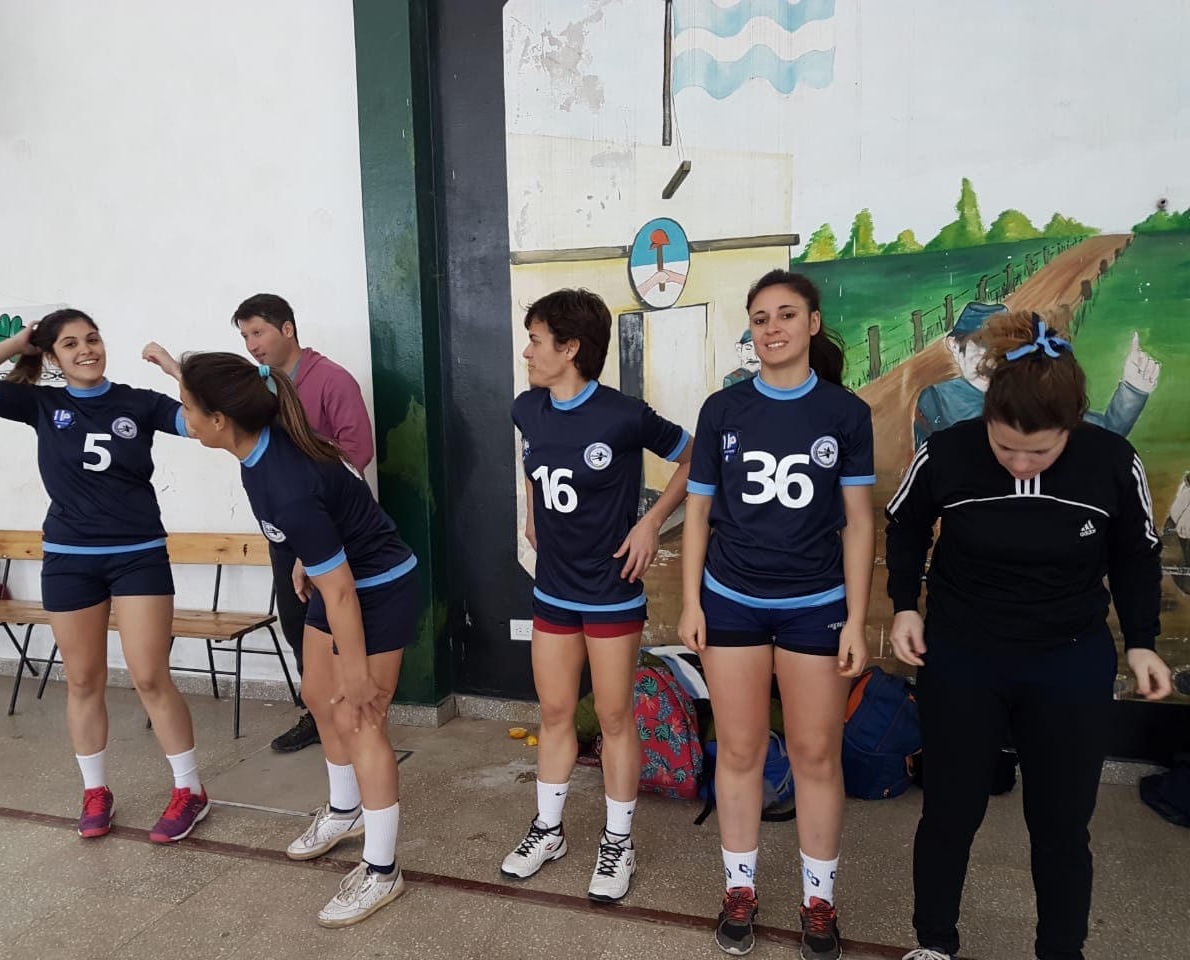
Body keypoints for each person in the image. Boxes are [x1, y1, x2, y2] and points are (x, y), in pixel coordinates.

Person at [886, 309, 1173, 960]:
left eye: (1039, 452)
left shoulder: (1110, 461)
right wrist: (904, 606)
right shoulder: (949, 450)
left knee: (1062, 826)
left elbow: (1136, 555)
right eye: (1004, 447)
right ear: (987, 418)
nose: (1019, 463)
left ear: (1071, 428)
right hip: (962, 656)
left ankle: (1061, 951)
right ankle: (934, 943)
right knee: (949, 814)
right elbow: (905, 524)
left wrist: (1142, 641)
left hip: (1068, 662)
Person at [147, 346, 417, 927]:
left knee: (359, 716)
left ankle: (382, 870)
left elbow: (341, 591)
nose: (183, 418)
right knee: (318, 695)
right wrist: (175, 368)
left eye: (187, 408)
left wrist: (358, 673)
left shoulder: (284, 479)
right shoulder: (257, 440)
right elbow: (327, 529)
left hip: (373, 589)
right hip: (337, 579)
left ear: (220, 420)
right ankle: (346, 810)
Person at [0, 309, 209, 843]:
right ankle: (94, 791)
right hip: (69, 559)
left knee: (149, 677)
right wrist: (19, 342)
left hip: (138, 555)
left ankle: (190, 790)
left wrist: (174, 369)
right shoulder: (42, 404)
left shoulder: (138, 402)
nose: (86, 349)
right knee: (83, 680)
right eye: (70, 344)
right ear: (53, 357)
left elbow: (206, 422)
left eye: (92, 338)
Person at [679, 269, 874, 959]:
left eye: (787, 315)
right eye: (760, 318)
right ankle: (739, 891)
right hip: (731, 600)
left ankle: (819, 902)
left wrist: (856, 619)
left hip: (814, 606)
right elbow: (697, 510)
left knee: (816, 754)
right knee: (740, 751)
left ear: (813, 323)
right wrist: (691, 600)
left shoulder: (845, 413)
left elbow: (858, 521)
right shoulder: (723, 409)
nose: (773, 328)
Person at [503, 288, 693, 903]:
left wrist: (652, 522)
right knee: (555, 713)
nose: (527, 352)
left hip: (611, 591)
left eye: (536, 341)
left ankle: (618, 842)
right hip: (554, 590)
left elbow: (693, 458)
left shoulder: (623, 415)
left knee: (613, 718)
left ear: (570, 348)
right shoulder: (526, 409)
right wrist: (532, 508)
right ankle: (548, 830)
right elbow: (533, 463)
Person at [232, 293, 375, 753]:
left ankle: (350, 711)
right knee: (296, 625)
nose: (252, 345)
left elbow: (357, 451)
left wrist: (311, 499)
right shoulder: (258, 388)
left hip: (329, 529)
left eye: (258, 332)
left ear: (288, 328)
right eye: (245, 336)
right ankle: (317, 713)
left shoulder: (332, 379)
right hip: (285, 533)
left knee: (336, 622)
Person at [914, 302, 1159, 447]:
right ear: (954, 346)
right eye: (979, 346)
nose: (989, 360)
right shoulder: (937, 399)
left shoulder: (1030, 392)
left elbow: (1102, 435)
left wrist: (1133, 391)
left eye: (999, 350)